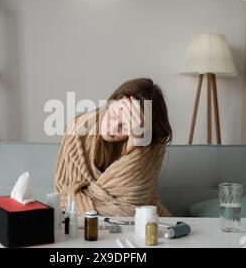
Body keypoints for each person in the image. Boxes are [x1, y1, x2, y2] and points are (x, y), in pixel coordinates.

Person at [54, 78, 173, 217]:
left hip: (145, 220)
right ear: (110, 103)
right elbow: (65, 199)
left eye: (125, 126)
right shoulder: (77, 132)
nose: (112, 129)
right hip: (84, 224)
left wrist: (135, 144)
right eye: (113, 115)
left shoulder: (151, 143)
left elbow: (135, 200)